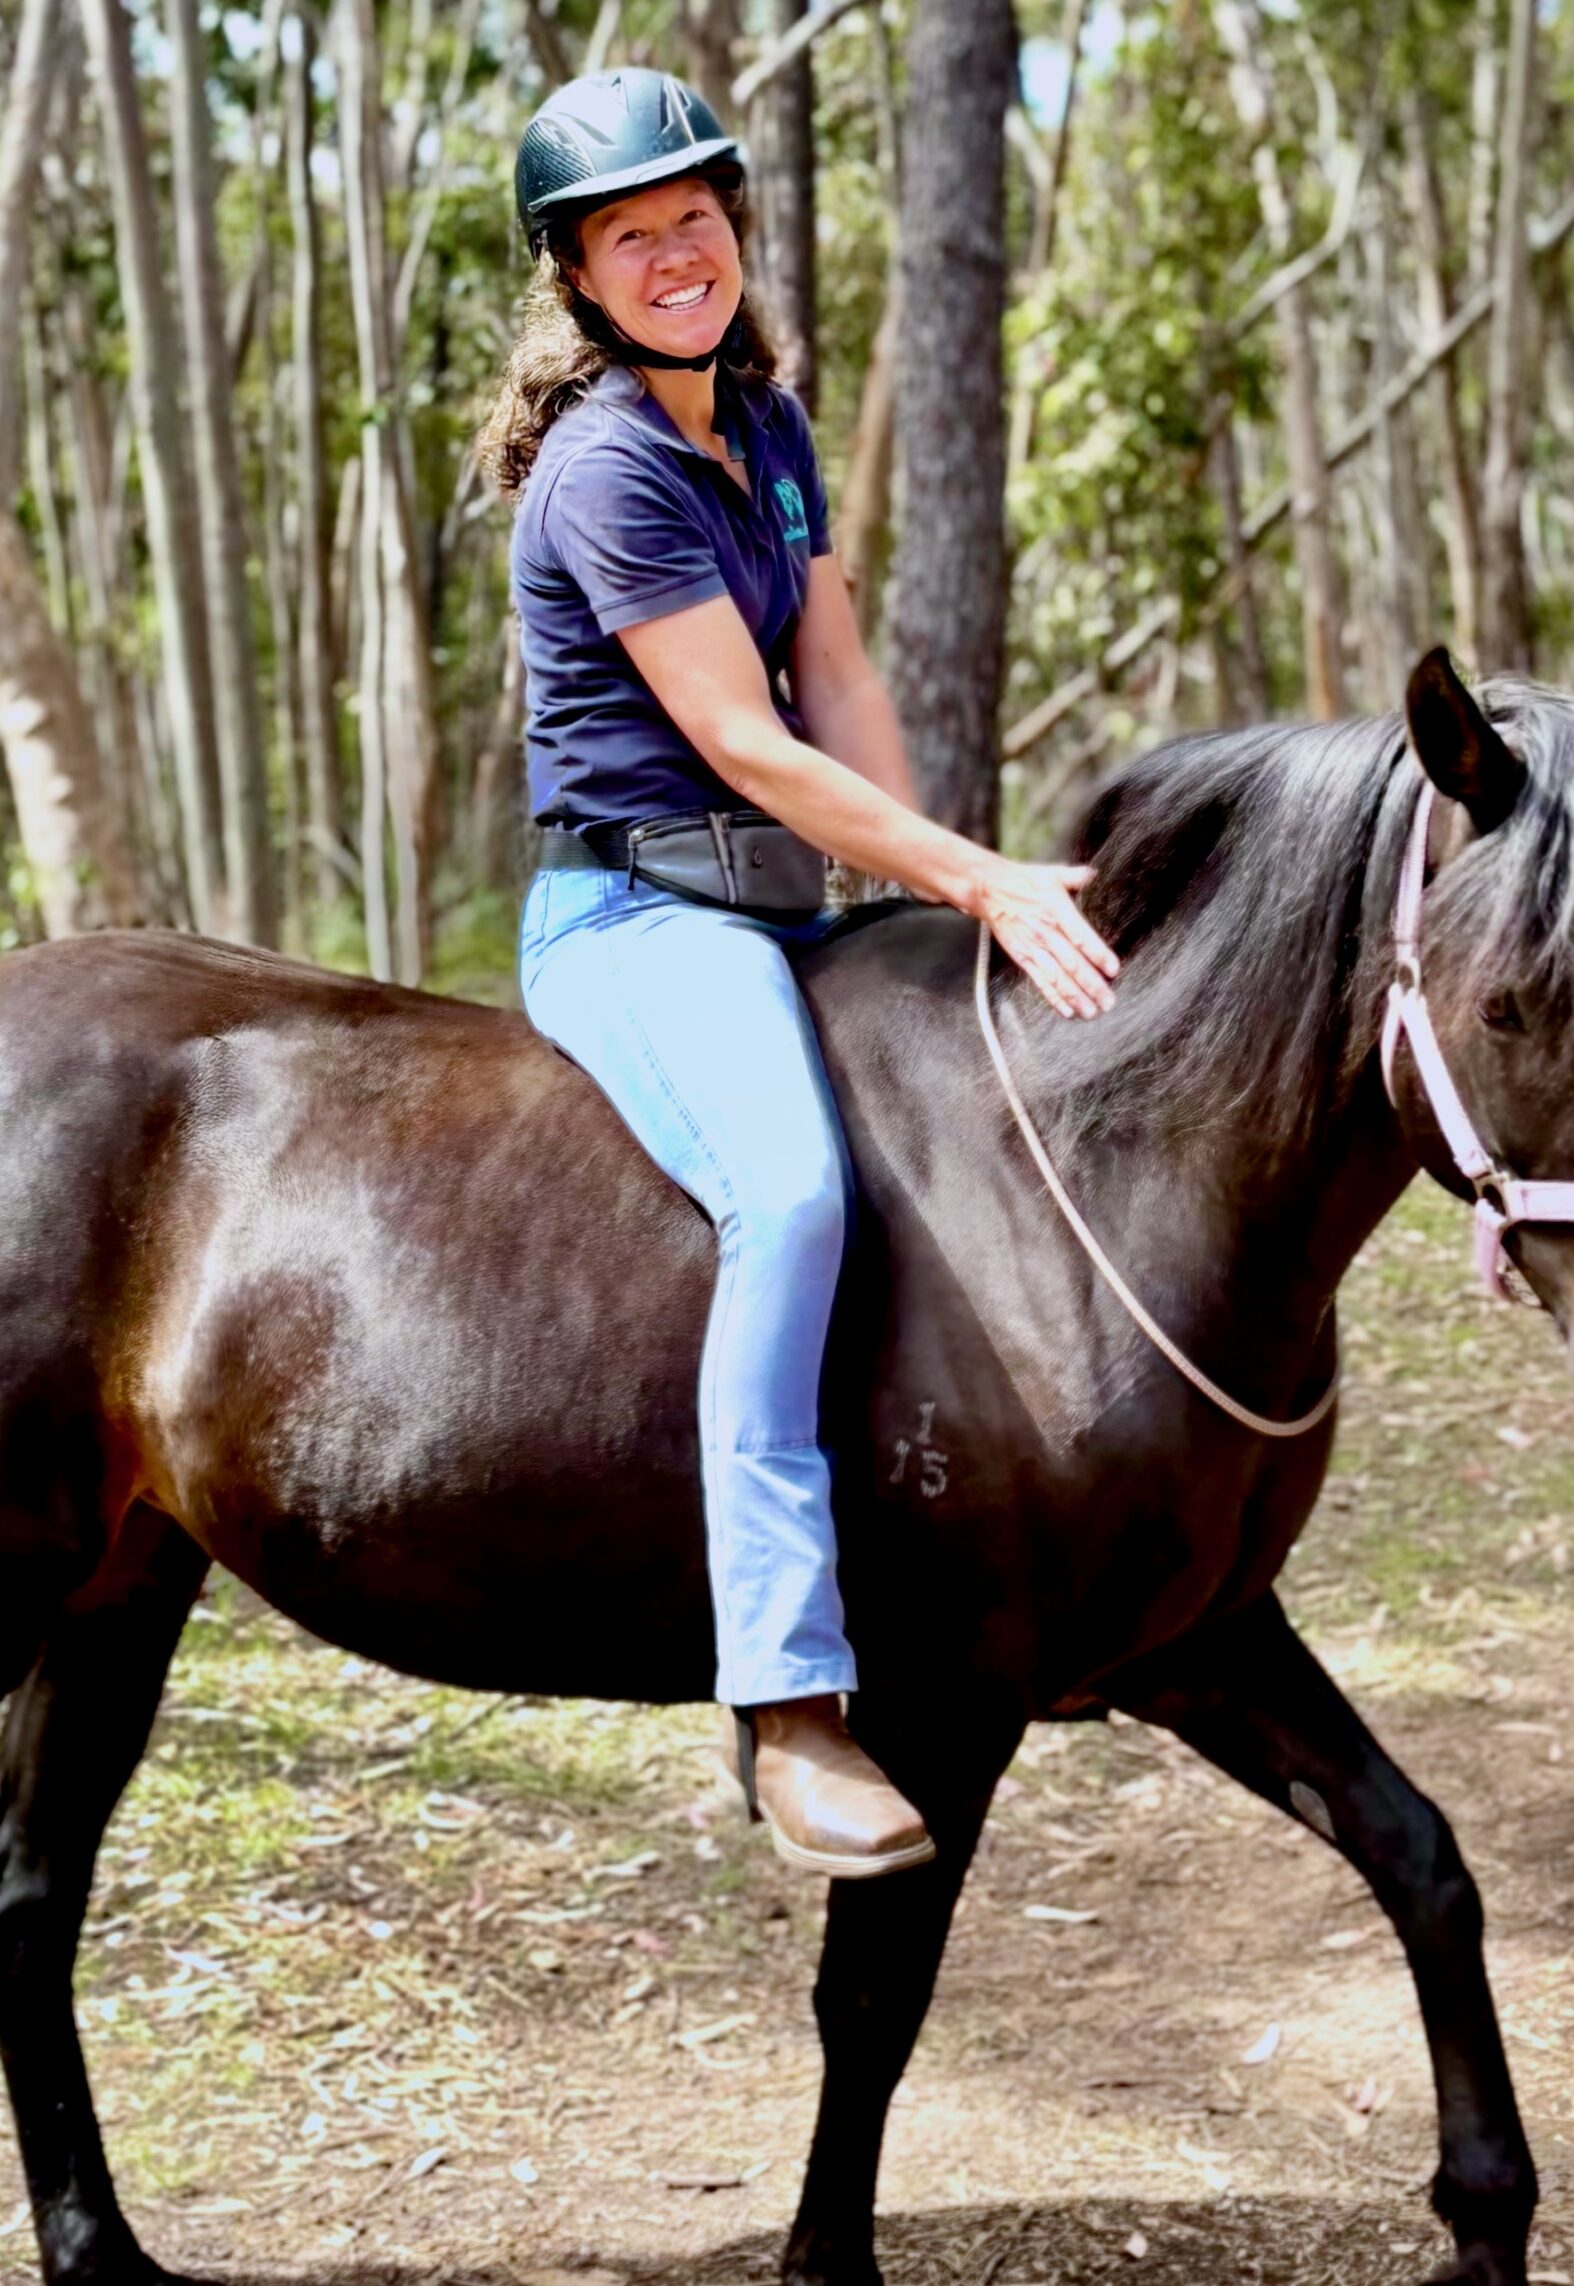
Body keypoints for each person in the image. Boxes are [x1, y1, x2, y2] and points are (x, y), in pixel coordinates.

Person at [478, 68, 1119, 1878]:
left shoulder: (761, 424)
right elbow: (743, 740)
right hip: (638, 924)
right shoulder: (607, 468)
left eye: (695, 219)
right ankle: (784, 1697)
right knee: (798, 1196)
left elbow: (832, 676)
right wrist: (976, 876)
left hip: (790, 913)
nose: (676, 255)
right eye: (631, 238)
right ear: (580, 277)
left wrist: (930, 896)